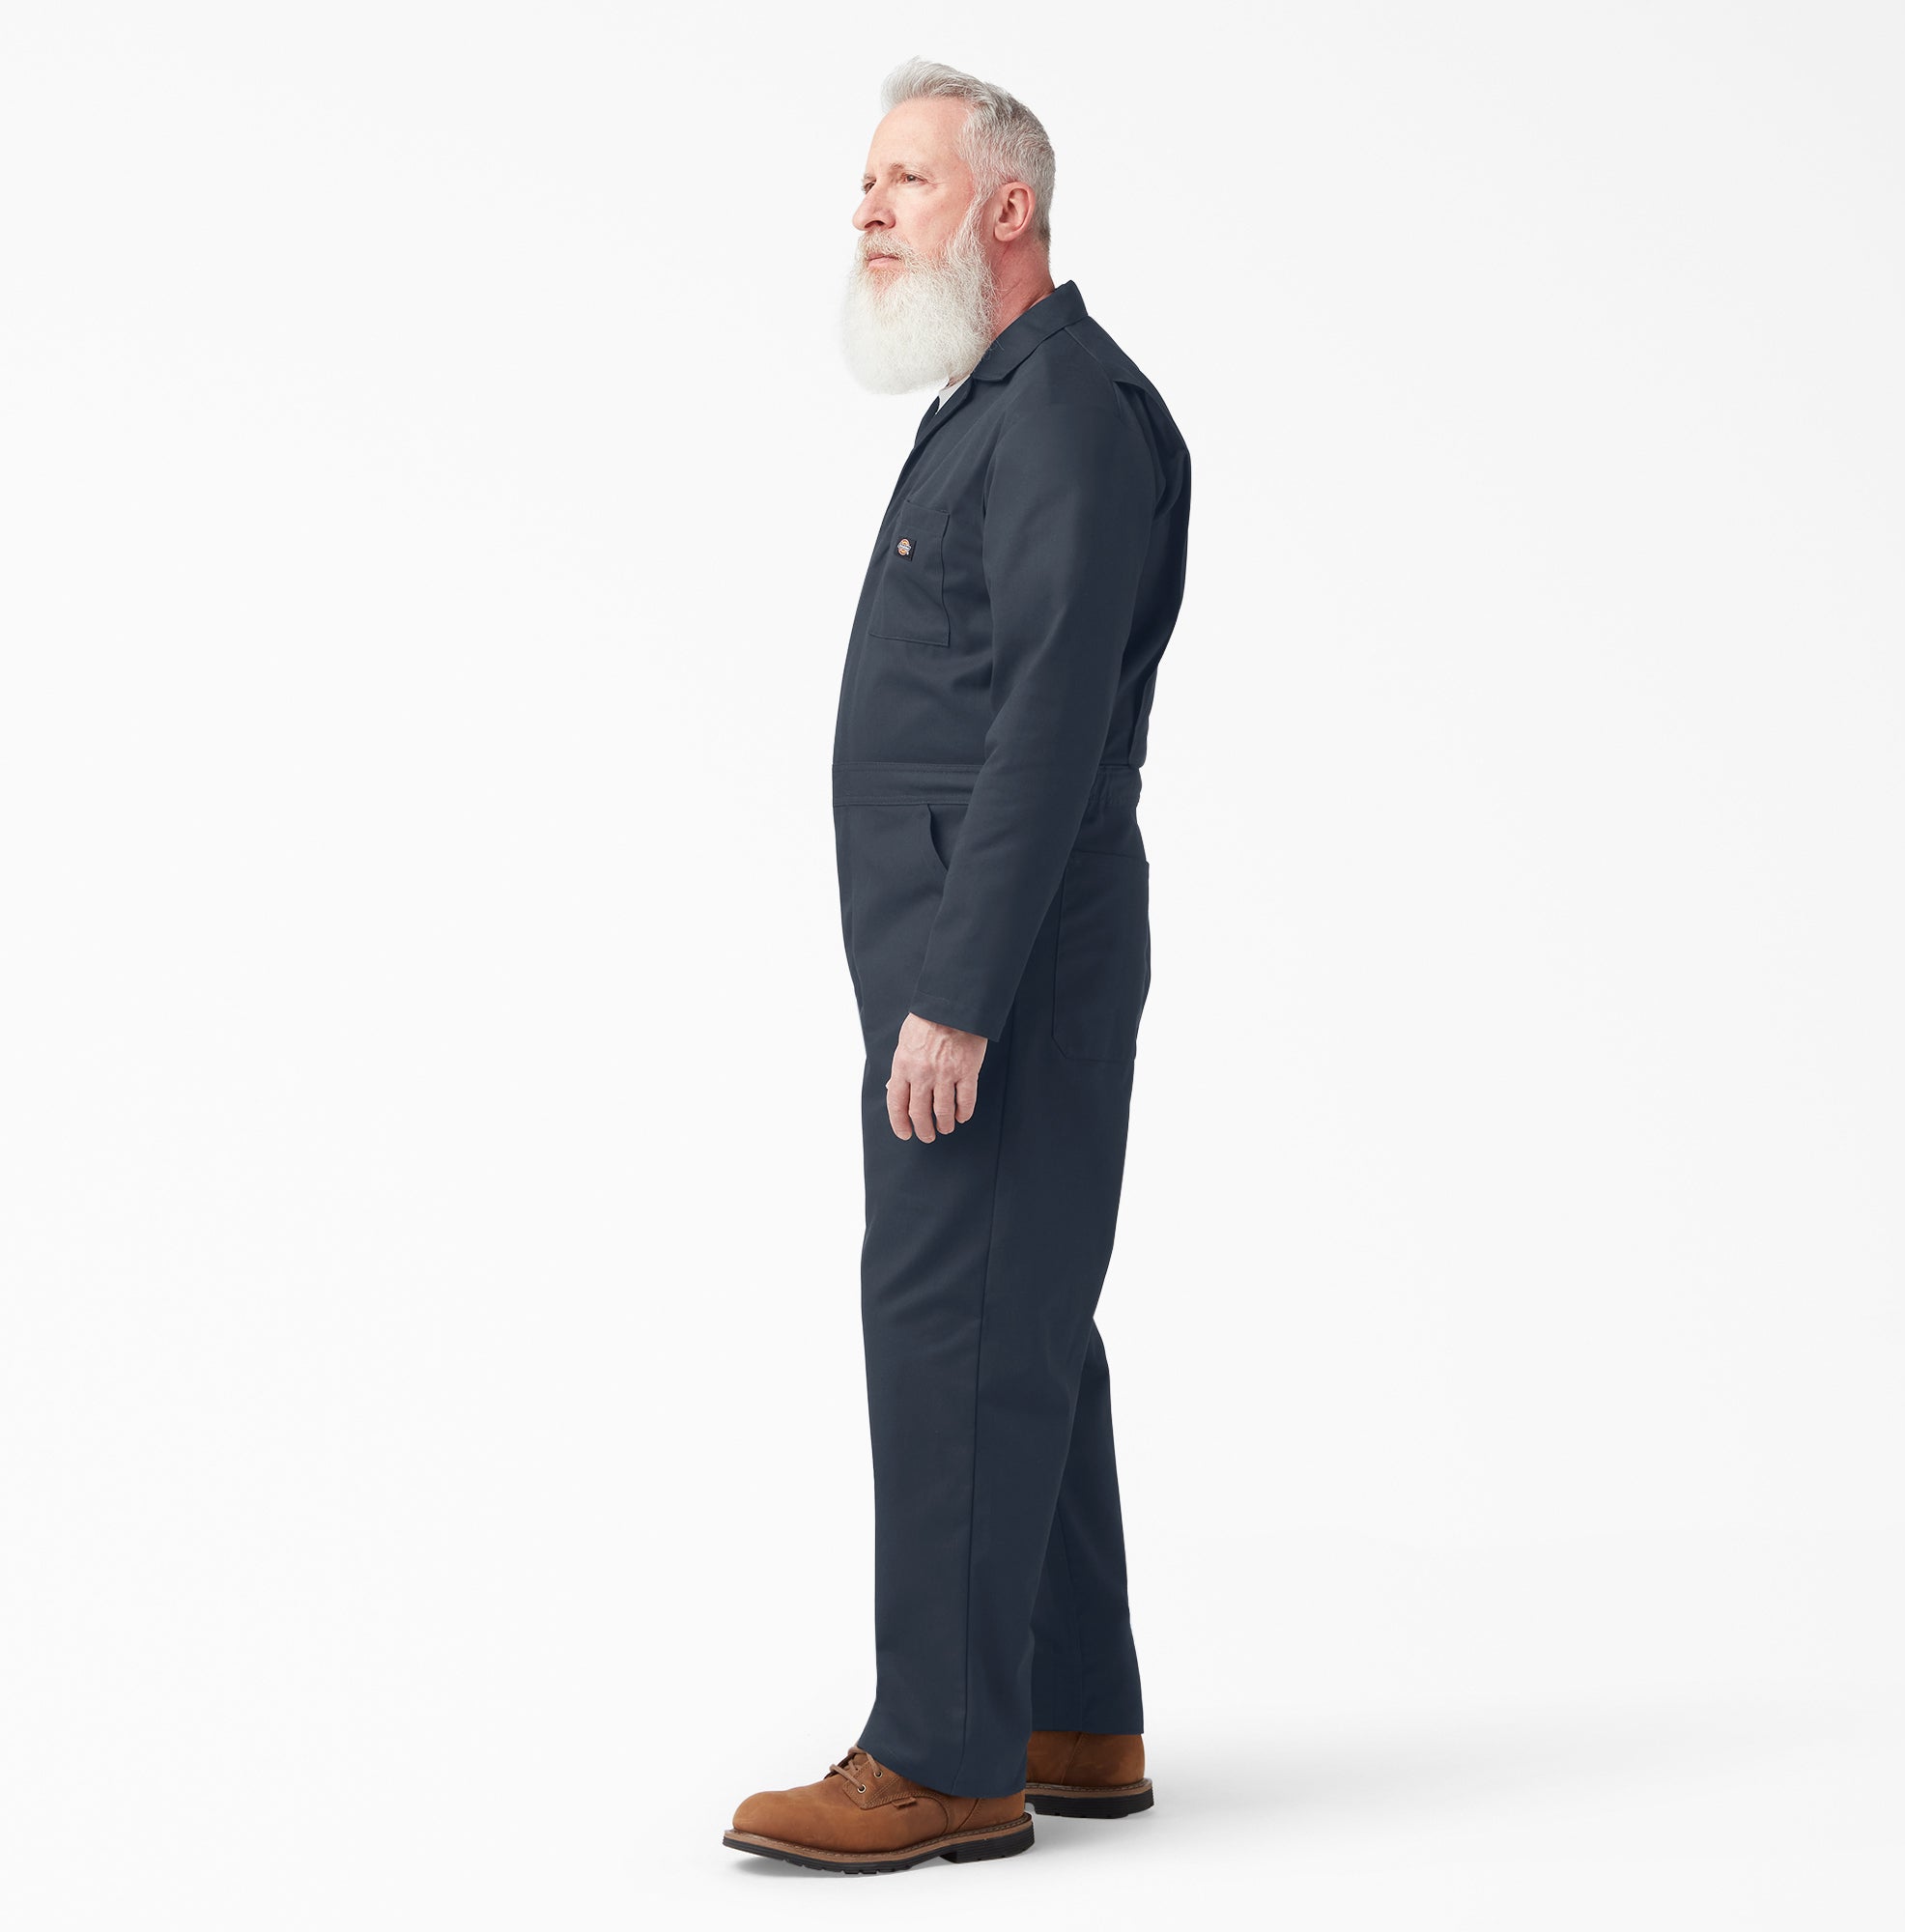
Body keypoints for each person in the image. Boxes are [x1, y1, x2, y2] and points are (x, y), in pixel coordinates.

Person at [723, 55, 1191, 1874]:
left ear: (1009, 207)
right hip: (972, 951)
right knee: (1024, 1313)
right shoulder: (997, 402)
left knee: (951, 1319)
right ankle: (1071, 1715)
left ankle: (938, 1757)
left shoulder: (1064, 407)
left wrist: (960, 994)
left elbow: (1049, 724)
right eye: (866, 180)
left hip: (998, 966)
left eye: (905, 180)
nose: (868, 206)